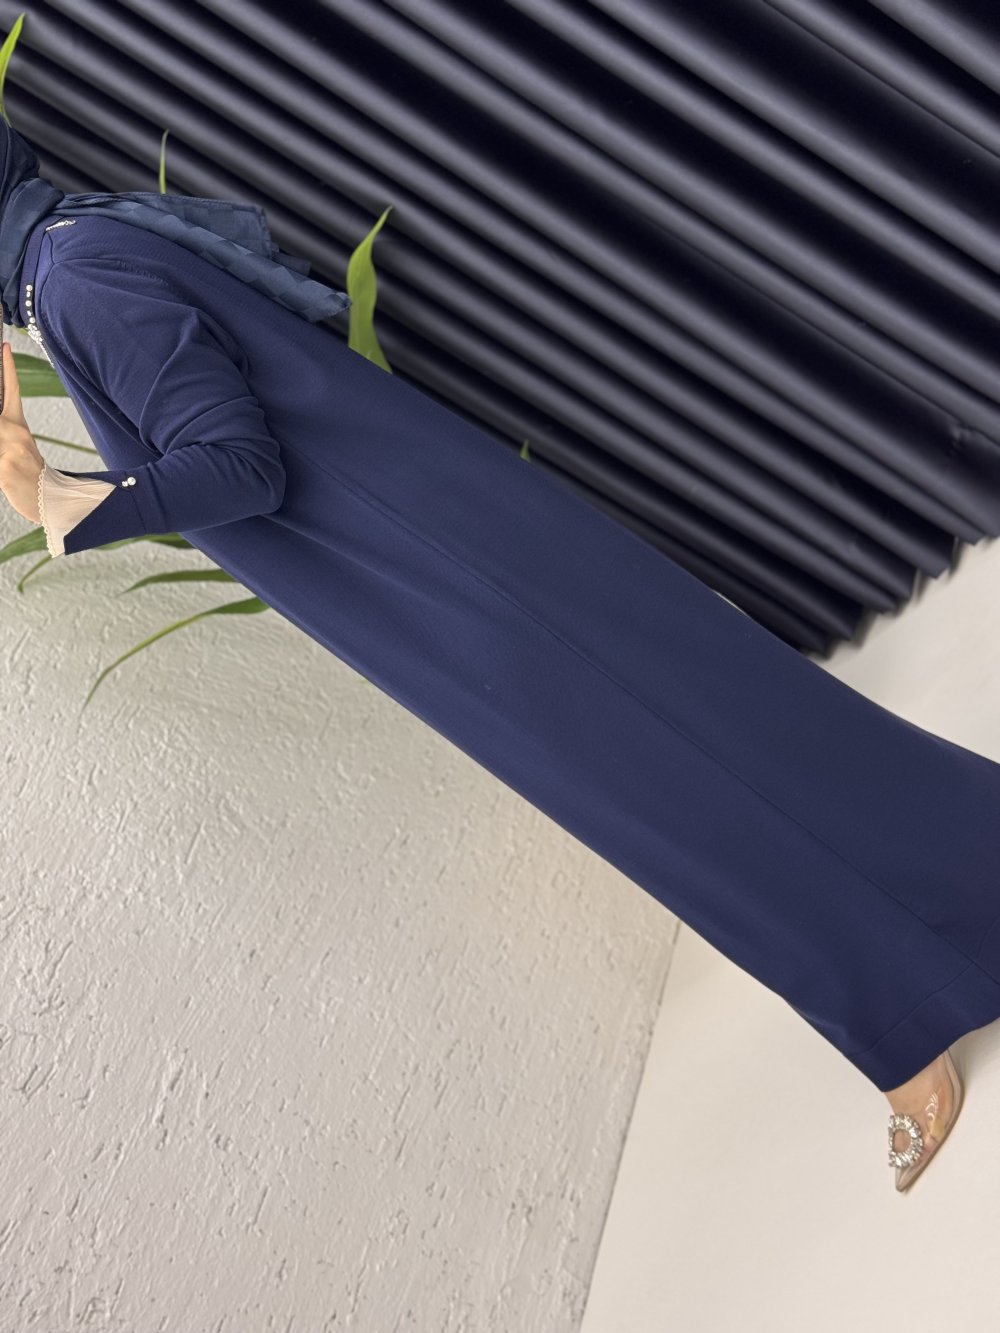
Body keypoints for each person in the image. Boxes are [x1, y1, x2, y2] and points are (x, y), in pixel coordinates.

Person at [1, 121, 996, 1195]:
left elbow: (238, 465)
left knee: (675, 808)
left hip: (454, 592)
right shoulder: (79, 247)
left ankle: (902, 1021)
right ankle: (936, 936)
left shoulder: (79, 280)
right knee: (732, 733)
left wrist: (55, 501)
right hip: (456, 554)